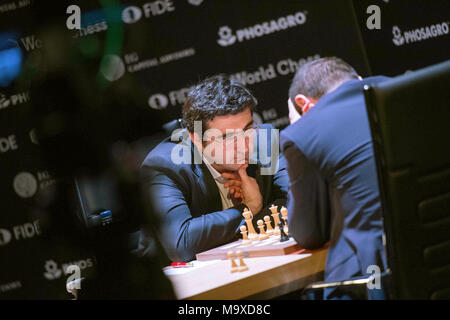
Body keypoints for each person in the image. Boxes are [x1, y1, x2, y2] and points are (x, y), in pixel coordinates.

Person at [136, 74, 289, 262]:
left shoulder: (264, 141)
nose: (243, 146)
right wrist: (250, 207)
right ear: (197, 140)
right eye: (227, 137)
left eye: (248, 129)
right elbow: (181, 243)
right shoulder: (164, 165)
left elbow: (298, 200)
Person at [281, 57, 388, 299]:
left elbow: (309, 234)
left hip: (376, 276)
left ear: (303, 105)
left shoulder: (303, 132)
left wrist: (300, 126)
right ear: (357, 80)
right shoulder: (404, 89)